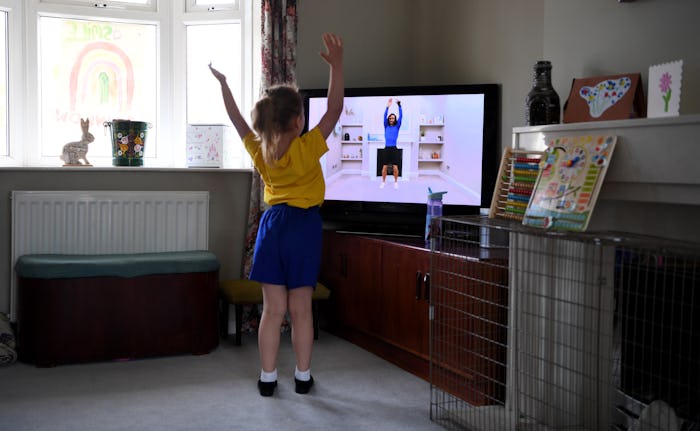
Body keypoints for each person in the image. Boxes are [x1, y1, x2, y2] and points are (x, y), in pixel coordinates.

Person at [209, 32, 344, 397]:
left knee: (272, 310)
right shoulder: (307, 147)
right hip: (304, 227)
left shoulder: (260, 150)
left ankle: (267, 379)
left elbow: (236, 117)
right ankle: (302, 377)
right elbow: (334, 110)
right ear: (298, 121)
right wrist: (337, 66)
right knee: (301, 310)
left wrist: (223, 84)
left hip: (272, 226)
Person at [380, 98, 402, 189]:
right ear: (388, 119)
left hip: (394, 149)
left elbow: (401, 116)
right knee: (384, 167)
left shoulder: (397, 126)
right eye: (390, 118)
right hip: (387, 148)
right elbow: (384, 116)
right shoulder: (386, 126)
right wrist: (387, 107)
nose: (391, 119)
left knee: (395, 168)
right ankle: (383, 182)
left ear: (395, 119)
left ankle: (396, 182)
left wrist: (399, 106)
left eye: (393, 118)